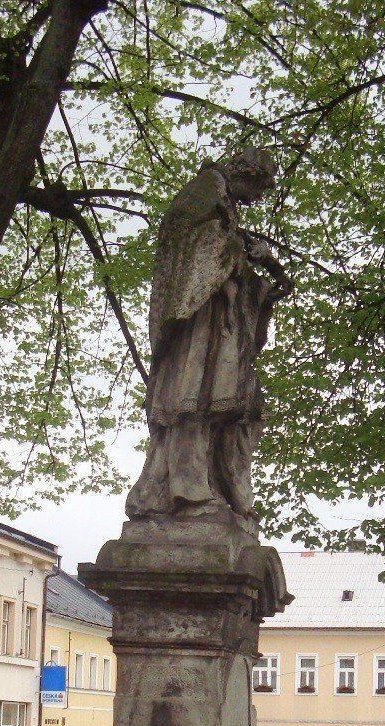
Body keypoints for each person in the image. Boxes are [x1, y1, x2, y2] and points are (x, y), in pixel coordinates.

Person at [126, 146, 293, 521]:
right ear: (246, 174)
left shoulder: (222, 199)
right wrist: (237, 248)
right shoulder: (203, 191)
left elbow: (232, 263)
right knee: (193, 399)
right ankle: (187, 491)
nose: (260, 198)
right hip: (198, 325)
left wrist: (264, 263)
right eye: (261, 188)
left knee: (223, 405)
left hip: (219, 322)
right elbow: (189, 245)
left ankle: (208, 486)